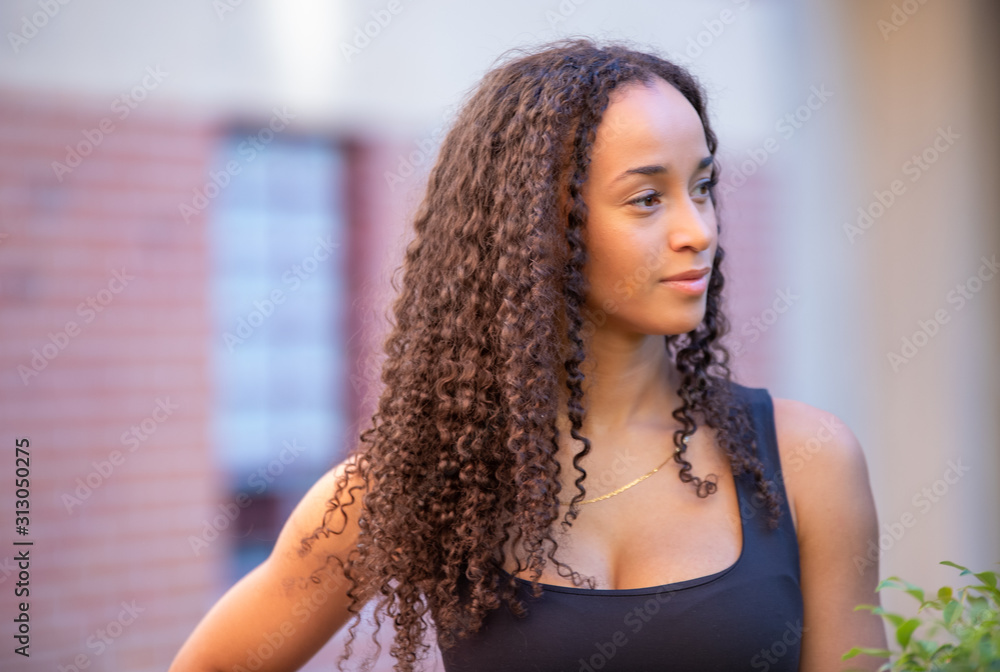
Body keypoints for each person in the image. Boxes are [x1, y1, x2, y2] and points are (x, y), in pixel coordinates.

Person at [169, 37, 889, 672]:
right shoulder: (425, 480)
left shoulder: (806, 462)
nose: (698, 230)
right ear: (541, 226)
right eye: (647, 199)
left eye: (701, 188)